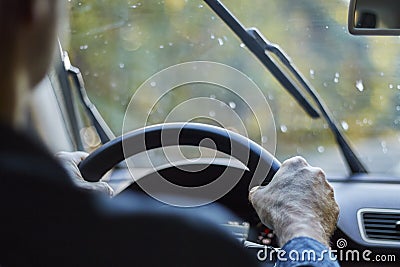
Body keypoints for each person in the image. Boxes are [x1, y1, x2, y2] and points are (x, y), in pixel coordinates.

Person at [0, 0, 340, 266]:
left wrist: (59, 204)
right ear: (34, 8)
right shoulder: (184, 245)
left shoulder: (29, 221)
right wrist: (302, 222)